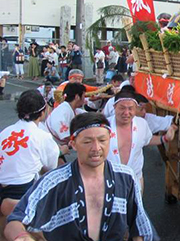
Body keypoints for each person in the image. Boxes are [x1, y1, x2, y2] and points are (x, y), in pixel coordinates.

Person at [5, 112, 158, 241]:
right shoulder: (54, 182)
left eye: (102, 140)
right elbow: (15, 221)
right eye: (87, 142)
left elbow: (140, 225)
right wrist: (22, 236)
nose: (96, 148)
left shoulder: (126, 177)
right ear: (73, 143)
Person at [0, 90, 59, 237]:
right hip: (20, 191)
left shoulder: (5, 132)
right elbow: (51, 169)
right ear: (43, 111)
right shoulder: (42, 136)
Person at [107, 91, 177, 190]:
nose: (126, 113)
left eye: (130, 108)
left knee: (135, 205)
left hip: (135, 177)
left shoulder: (141, 124)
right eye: (122, 108)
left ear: (135, 108)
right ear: (114, 107)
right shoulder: (104, 126)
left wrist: (165, 138)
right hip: (109, 179)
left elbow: (146, 139)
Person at [44, 82, 87, 149]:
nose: (84, 100)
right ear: (77, 97)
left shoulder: (72, 109)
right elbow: (65, 135)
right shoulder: (62, 111)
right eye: (84, 97)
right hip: (47, 146)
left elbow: (90, 116)